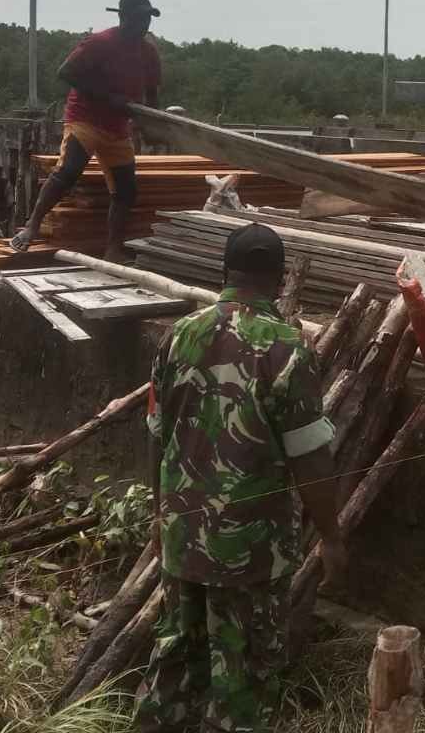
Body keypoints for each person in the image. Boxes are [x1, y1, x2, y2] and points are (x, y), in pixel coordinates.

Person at [136, 223, 347, 732]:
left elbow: (156, 437)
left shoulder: (178, 337)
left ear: (224, 271)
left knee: (175, 661)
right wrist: (333, 536)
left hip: (183, 533)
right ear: (280, 278)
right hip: (251, 551)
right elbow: (310, 458)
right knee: (245, 673)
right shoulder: (287, 349)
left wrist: (159, 513)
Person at [11, 0, 163, 261]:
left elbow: (152, 93)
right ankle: (32, 225)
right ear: (123, 17)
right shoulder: (100, 43)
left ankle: (112, 249)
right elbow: (66, 72)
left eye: (148, 19)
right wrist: (109, 97)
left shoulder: (149, 53)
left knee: (126, 191)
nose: (144, 25)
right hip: (85, 120)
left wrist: (152, 123)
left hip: (117, 128)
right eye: (139, 18)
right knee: (68, 171)